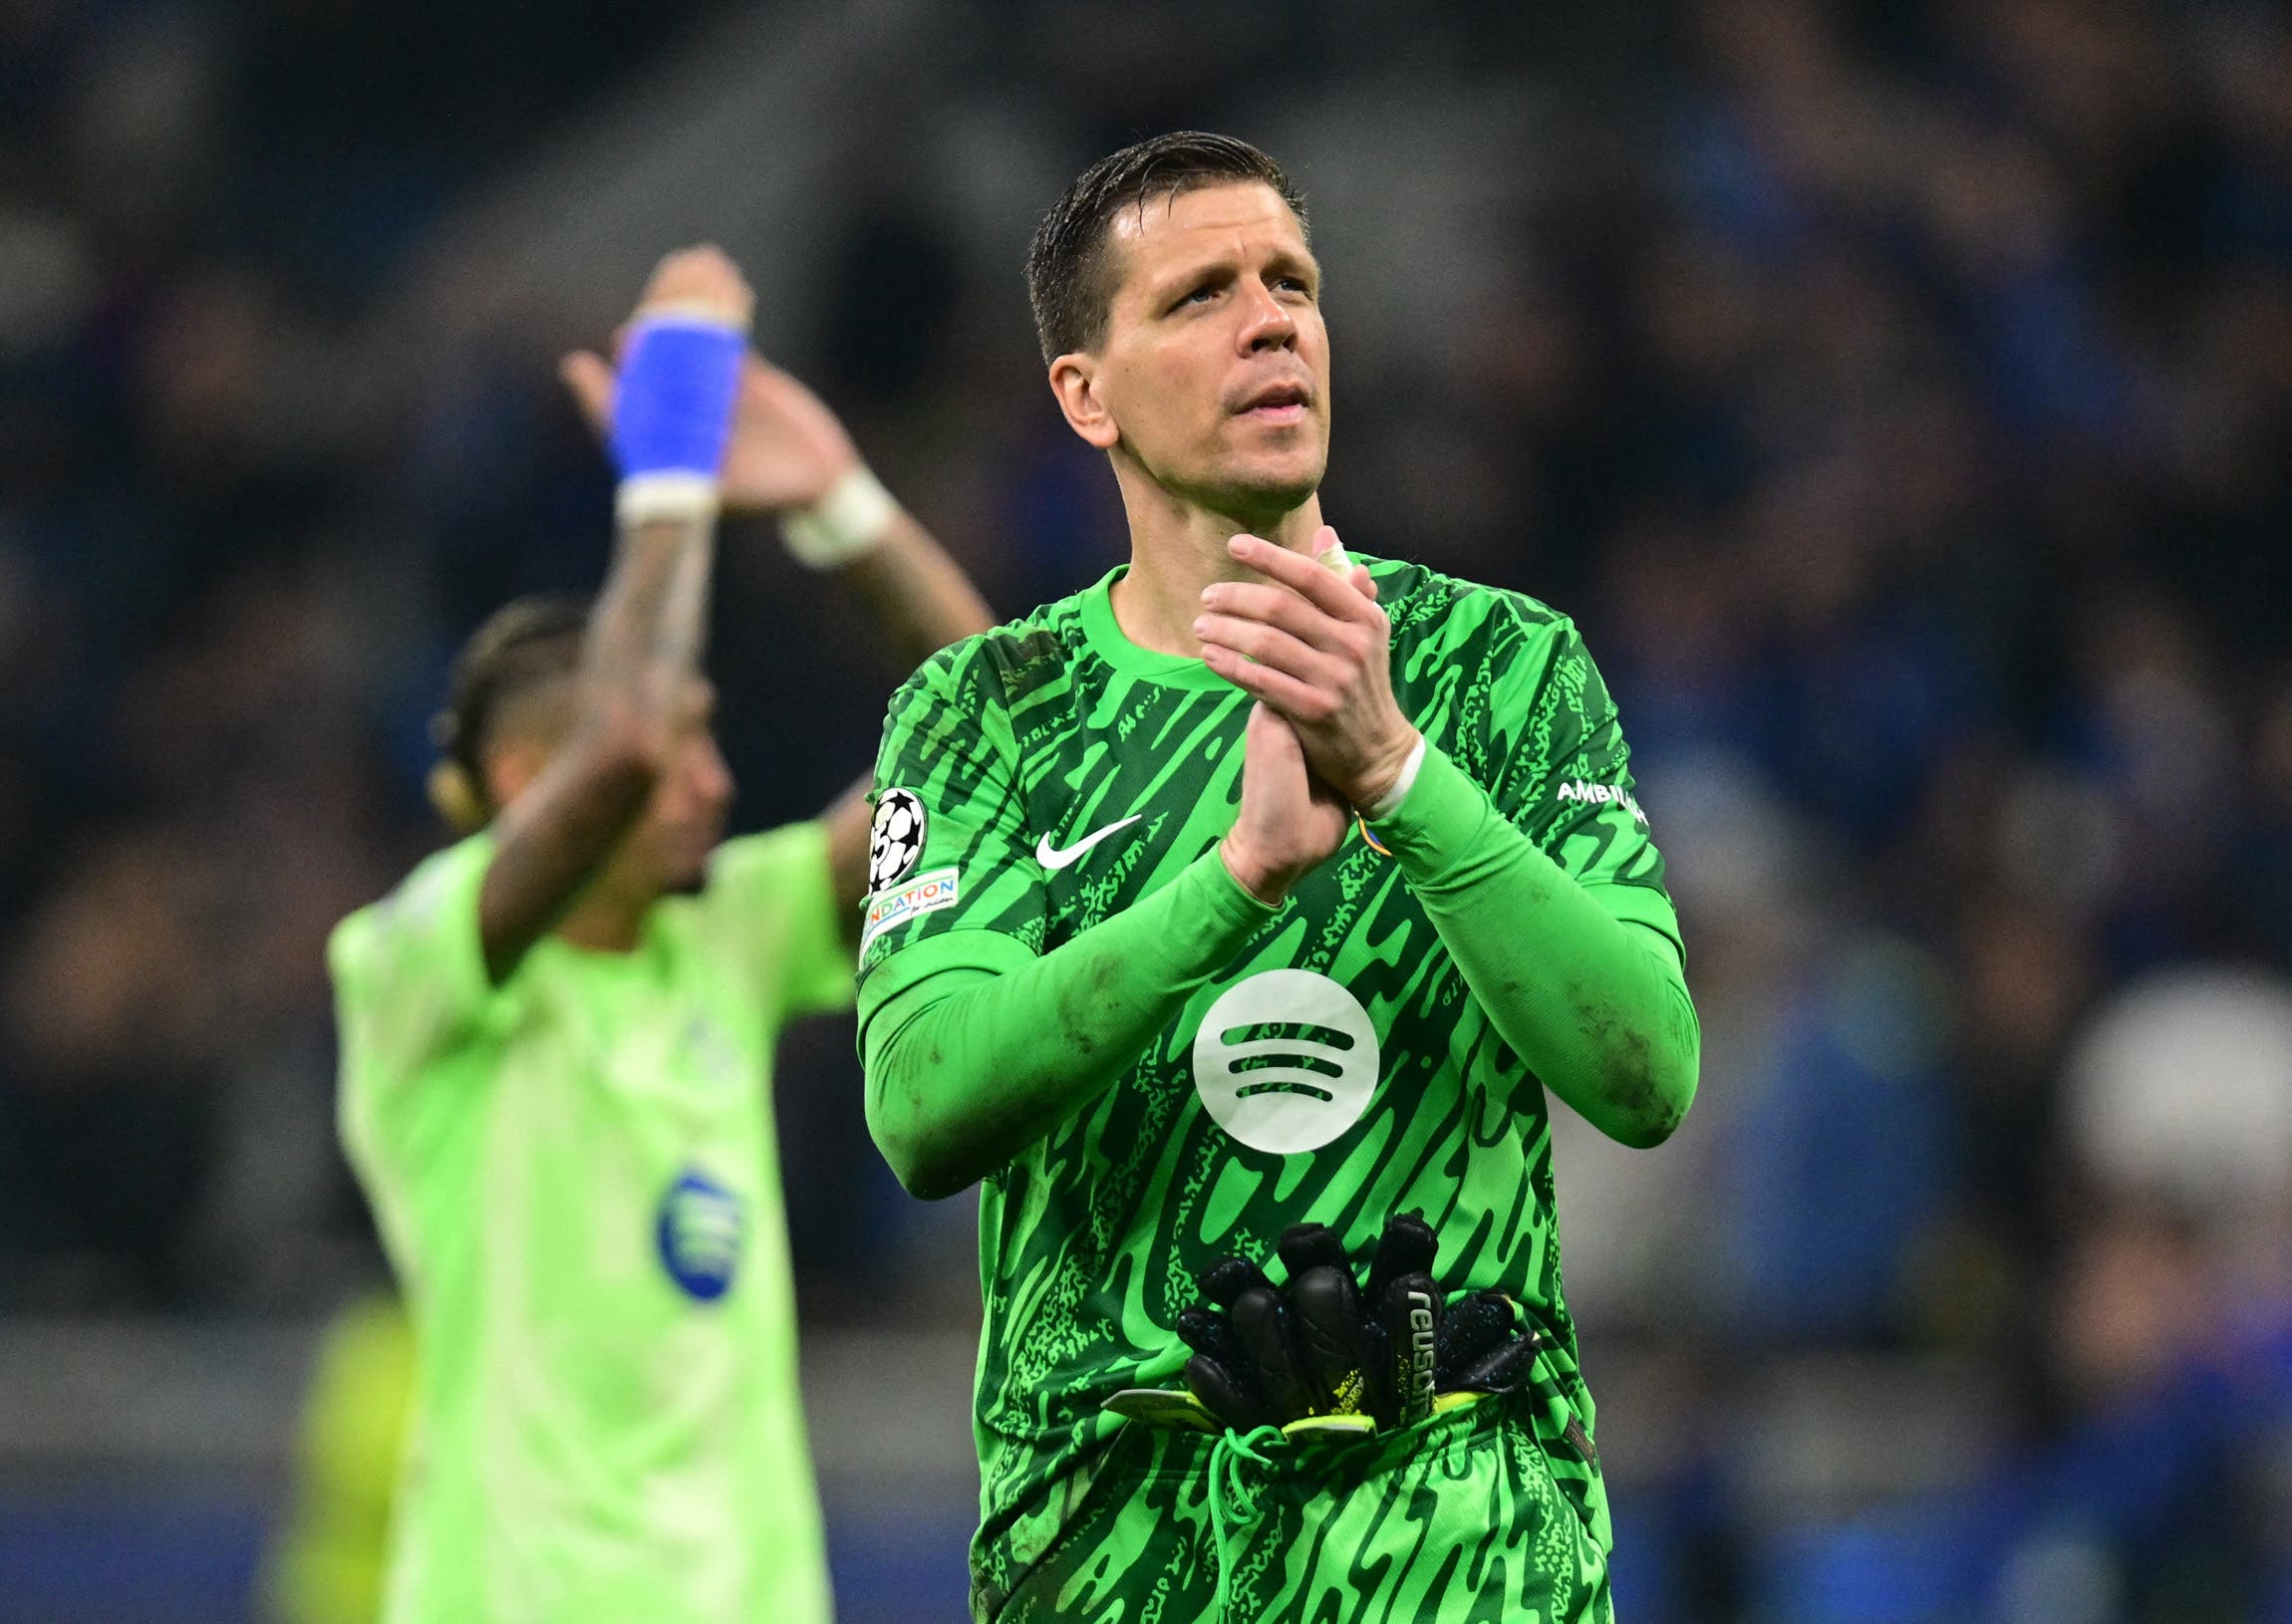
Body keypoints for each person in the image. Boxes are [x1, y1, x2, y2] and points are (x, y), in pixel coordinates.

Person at [857, 134, 1701, 1621]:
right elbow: (923, 1109)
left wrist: (1398, 775)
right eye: (1197, 296)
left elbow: (1647, 1067)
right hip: (1115, 1554)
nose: (1270, 321)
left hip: (1470, 1549)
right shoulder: (993, 707)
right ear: (1084, 392)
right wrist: (1235, 880)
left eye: (1292, 283)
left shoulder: (1500, 669)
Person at [329, 245, 993, 1624]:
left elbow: (1005, 751)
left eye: (711, 743)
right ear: (525, 785)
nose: (714, 780)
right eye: (683, 749)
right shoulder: (410, 964)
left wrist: (845, 512)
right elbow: (623, 740)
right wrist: (675, 438)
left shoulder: (728, 936)